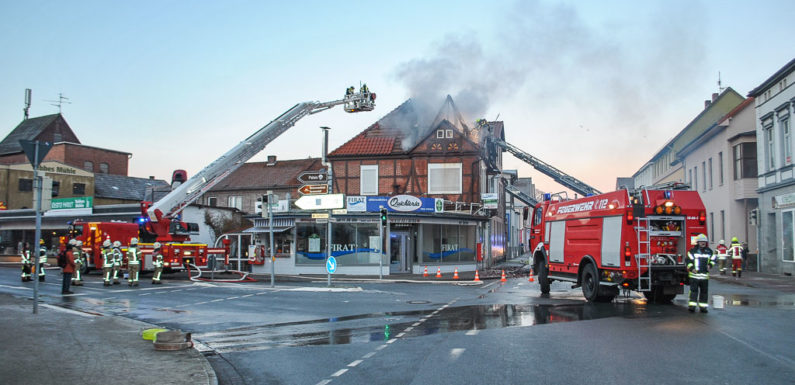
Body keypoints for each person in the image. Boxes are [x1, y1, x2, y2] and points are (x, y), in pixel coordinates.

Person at [686, 234, 716, 313]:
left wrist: (710, 265)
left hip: (704, 276)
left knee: (704, 292)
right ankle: (692, 306)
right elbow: (688, 261)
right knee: (693, 292)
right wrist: (692, 268)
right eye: (701, 241)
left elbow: (713, 259)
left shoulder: (709, 251)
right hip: (694, 276)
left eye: (704, 242)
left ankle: (703, 307)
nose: (703, 243)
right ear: (698, 242)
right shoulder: (692, 251)